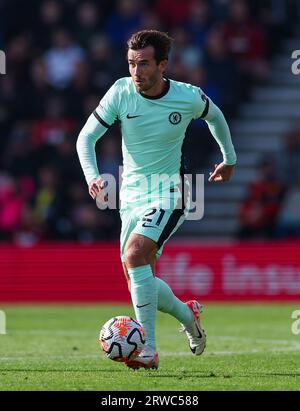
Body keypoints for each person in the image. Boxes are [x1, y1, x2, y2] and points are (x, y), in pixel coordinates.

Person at [76, 30, 236, 370]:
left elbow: (216, 116)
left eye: (144, 64)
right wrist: (93, 178)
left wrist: (230, 159)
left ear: (162, 65)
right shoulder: (120, 92)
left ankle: (147, 349)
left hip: (171, 192)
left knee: (135, 255)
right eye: (132, 63)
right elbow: (85, 138)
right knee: (138, 275)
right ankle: (188, 315)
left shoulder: (186, 97)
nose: (136, 71)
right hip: (130, 197)